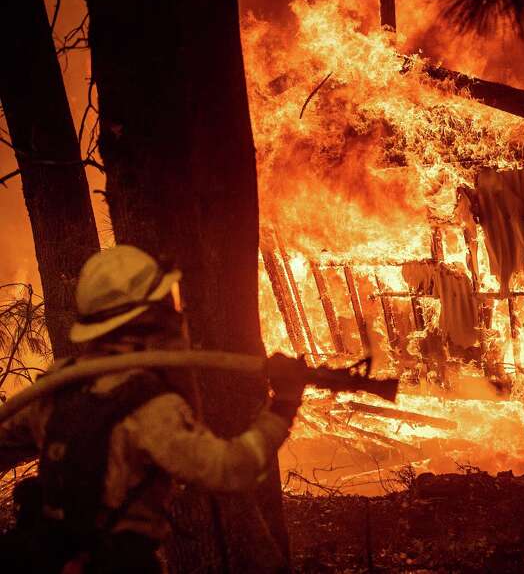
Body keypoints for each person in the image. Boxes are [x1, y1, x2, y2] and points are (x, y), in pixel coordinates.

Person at [0, 245, 309, 573]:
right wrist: (285, 404)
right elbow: (229, 469)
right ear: (150, 315)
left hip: (48, 557)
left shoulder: (55, 386)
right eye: (166, 302)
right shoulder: (149, 406)